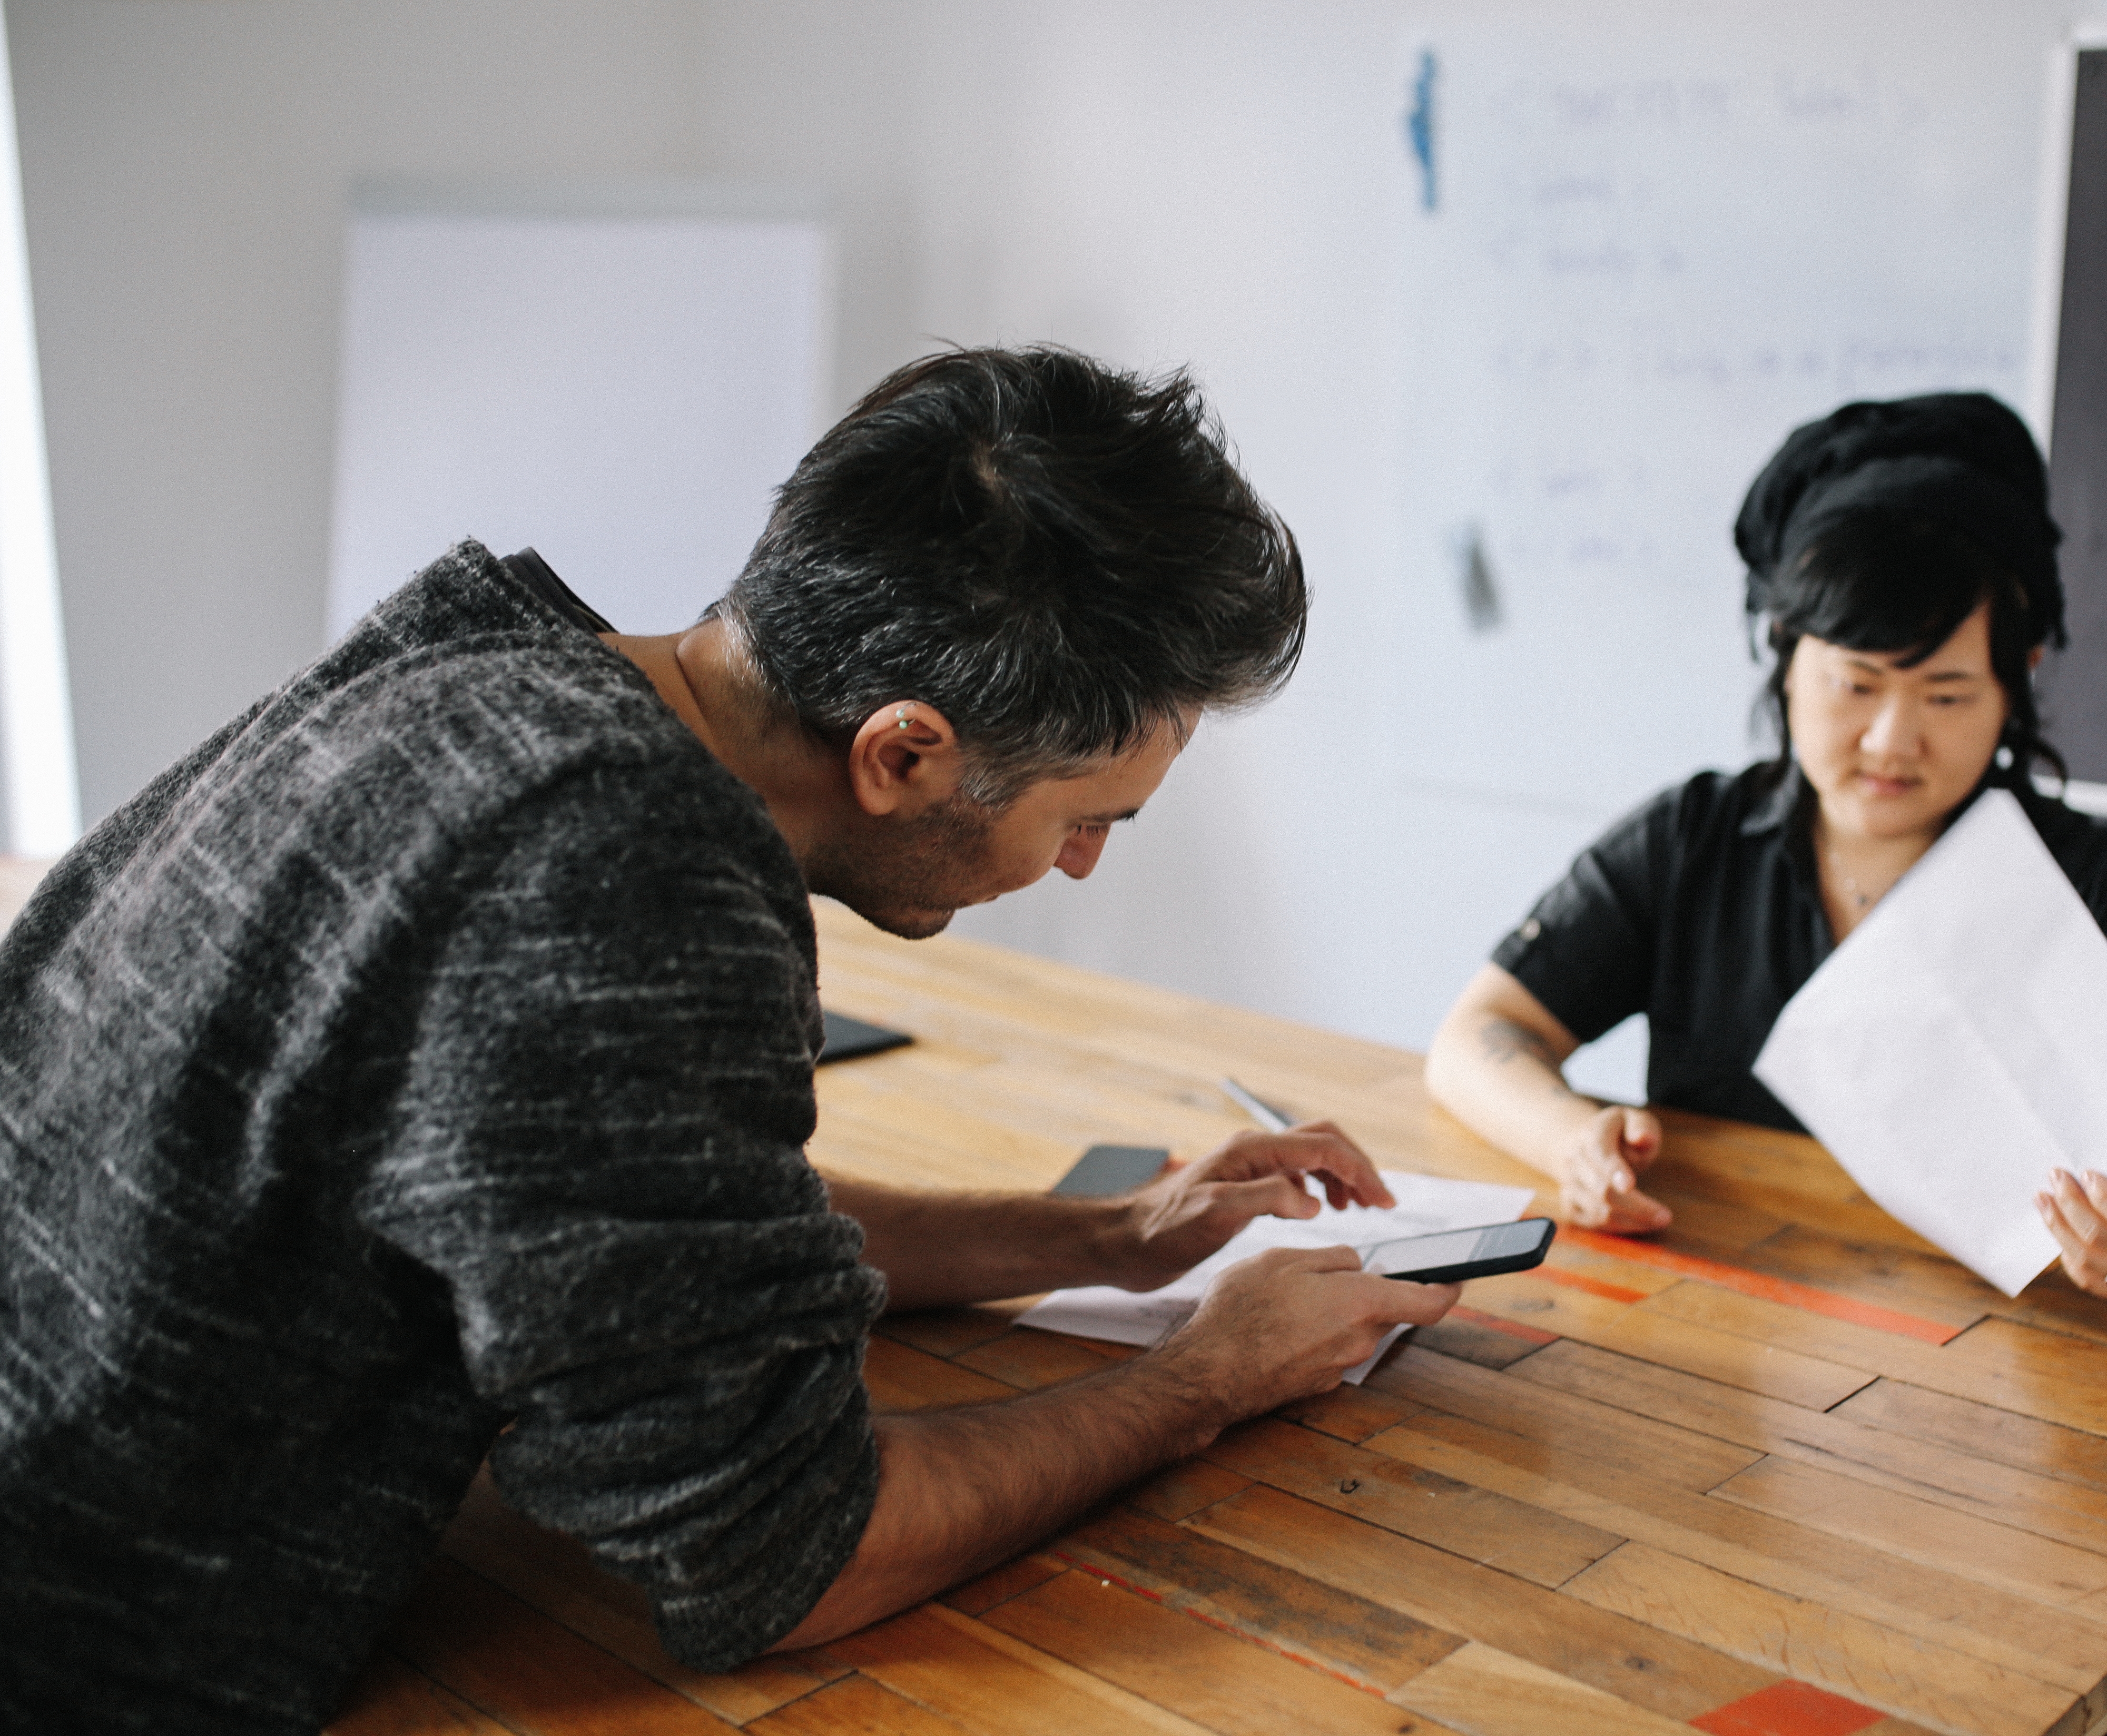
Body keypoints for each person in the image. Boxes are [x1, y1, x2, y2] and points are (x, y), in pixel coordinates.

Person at [0, 347, 1460, 1732]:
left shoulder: (471, 660)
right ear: (903, 754)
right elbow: (790, 1557)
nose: (1081, 865)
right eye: (1086, 820)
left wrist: (1106, 1238)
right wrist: (1203, 1379)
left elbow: (632, 1221)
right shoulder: (631, 877)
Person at [1425, 392, 2107, 1305]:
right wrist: (1571, 1137)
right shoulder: (1694, 841)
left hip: (2000, 1349)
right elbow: (1476, 1036)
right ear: (1785, 655)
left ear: (2020, 683)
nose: (1893, 741)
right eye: (1857, 683)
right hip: (1717, 1320)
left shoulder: (2084, 883)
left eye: (1948, 695)